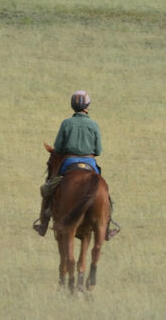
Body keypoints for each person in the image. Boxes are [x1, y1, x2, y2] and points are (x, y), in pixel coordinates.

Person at [33, 90, 119, 240]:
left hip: (69, 163)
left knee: (49, 188)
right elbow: (98, 150)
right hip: (90, 162)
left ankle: (43, 224)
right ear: (87, 106)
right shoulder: (93, 124)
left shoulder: (66, 123)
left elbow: (58, 147)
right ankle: (107, 225)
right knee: (104, 189)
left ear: (73, 105)